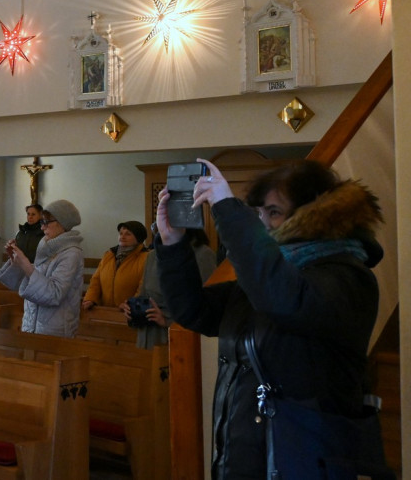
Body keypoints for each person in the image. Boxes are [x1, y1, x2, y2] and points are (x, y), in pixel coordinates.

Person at [155, 159, 384, 479]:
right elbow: (196, 312)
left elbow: (283, 296)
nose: (263, 223)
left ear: (313, 214)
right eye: (258, 213)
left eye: (273, 212)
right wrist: (172, 243)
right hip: (245, 456)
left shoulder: (346, 278)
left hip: (305, 461)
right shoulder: (266, 279)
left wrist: (226, 208)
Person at [0, 200, 85, 337]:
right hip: (32, 324)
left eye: (46, 222)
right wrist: (16, 262)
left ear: (62, 223)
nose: (42, 228)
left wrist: (26, 265)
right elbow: (30, 282)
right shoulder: (45, 246)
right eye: (42, 222)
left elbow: (54, 294)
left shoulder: (72, 253)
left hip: (55, 330)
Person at [122, 227, 217, 349]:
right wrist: (133, 309)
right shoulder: (152, 255)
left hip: (180, 335)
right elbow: (144, 294)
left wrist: (166, 320)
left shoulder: (203, 254)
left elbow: (208, 305)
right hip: (149, 333)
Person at [82, 220, 148, 310]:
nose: (122, 237)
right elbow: (96, 281)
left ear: (138, 237)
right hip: (105, 312)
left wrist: (130, 304)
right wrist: (90, 299)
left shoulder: (146, 258)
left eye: (128, 234)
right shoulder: (109, 255)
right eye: (121, 233)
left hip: (130, 313)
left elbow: (144, 287)